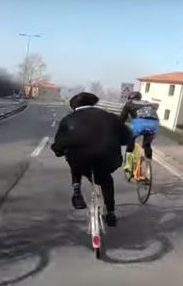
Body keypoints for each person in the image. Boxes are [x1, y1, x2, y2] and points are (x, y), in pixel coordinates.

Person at [51, 92, 131, 227]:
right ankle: (111, 213)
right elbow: (126, 138)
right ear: (93, 103)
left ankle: (77, 193)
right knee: (106, 181)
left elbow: (60, 143)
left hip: (80, 162)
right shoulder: (111, 117)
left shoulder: (68, 119)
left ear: (74, 106)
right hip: (108, 160)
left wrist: (58, 151)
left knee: (73, 160)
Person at [119, 91, 159, 174]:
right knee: (147, 144)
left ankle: (128, 165)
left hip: (140, 123)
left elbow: (122, 118)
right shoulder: (147, 103)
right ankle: (148, 166)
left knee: (130, 140)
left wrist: (119, 127)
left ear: (130, 98)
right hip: (154, 124)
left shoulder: (129, 104)